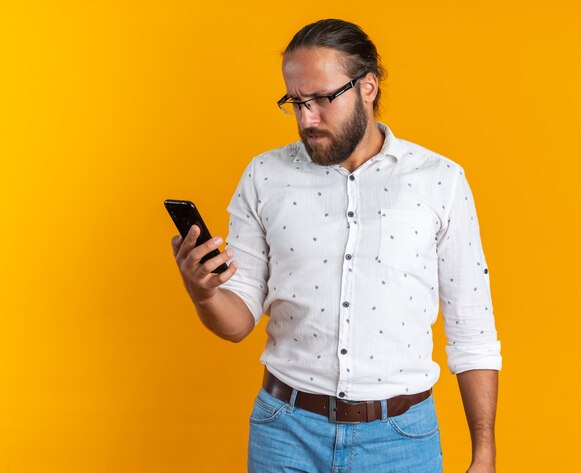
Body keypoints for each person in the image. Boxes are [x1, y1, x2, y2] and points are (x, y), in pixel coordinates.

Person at [171, 18, 502, 473]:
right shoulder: (264, 176)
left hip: (402, 441)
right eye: (296, 102)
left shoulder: (441, 181)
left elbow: (473, 332)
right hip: (284, 432)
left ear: (368, 86)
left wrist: (484, 453)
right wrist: (203, 291)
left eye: (323, 99)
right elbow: (237, 322)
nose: (308, 118)